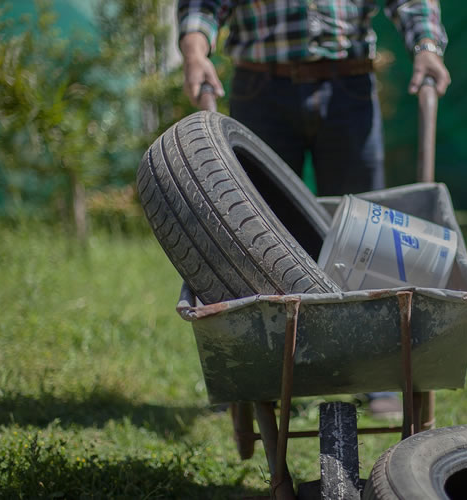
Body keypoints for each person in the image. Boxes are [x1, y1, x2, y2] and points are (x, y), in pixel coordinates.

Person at [177, 0, 451, 417]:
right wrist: (196, 55)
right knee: (253, 230)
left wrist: (427, 46)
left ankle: (374, 376)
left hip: (349, 87)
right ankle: (261, 377)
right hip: (262, 89)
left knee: (364, 229)